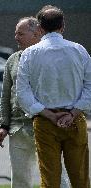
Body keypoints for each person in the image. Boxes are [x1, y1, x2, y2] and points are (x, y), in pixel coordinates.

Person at [16, 5, 91, 188]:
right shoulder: (79, 50)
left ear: (40, 29)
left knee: (50, 179)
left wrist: (48, 114)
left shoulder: (29, 54)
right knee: (80, 177)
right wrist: (72, 113)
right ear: (63, 26)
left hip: (45, 121)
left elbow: (22, 93)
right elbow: (89, 87)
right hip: (74, 118)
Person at [0, 17, 70, 188]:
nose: (16, 37)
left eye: (20, 33)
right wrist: (3, 125)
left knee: (56, 176)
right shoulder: (12, 60)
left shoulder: (50, 56)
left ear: (36, 34)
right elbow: (6, 95)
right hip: (18, 129)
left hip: (46, 125)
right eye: (15, 33)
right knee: (20, 180)